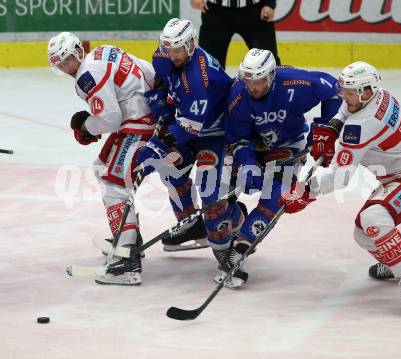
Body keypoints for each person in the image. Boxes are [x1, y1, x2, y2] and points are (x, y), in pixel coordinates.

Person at [47, 32, 207, 286]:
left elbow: (110, 118)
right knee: (105, 168)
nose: (66, 67)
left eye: (68, 60)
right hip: (151, 119)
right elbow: (149, 73)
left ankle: (127, 260)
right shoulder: (104, 50)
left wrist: (87, 126)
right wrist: (160, 112)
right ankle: (137, 235)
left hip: (137, 126)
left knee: (114, 184)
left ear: (78, 51)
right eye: (60, 64)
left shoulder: (86, 76)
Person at [280, 61, 401, 307]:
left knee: (373, 218)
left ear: (367, 91)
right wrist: (333, 127)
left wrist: (306, 190)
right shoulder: (380, 95)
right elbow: (346, 109)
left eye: (350, 91)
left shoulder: (360, 127)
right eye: (344, 89)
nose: (344, 95)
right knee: (362, 233)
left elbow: (341, 177)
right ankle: (392, 262)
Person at [136, 18, 248, 288]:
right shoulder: (164, 56)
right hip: (189, 125)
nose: (172, 55)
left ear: (191, 45)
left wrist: (160, 141)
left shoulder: (199, 77)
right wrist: (161, 104)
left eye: (178, 50)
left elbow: (187, 131)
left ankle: (227, 244)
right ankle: (192, 225)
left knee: (210, 194)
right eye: (169, 49)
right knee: (170, 170)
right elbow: (162, 84)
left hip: (214, 133)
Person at [224, 48, 342, 281]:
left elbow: (335, 90)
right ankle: (231, 223)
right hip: (253, 146)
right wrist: (247, 163)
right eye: (248, 80)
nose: (253, 87)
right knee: (220, 189)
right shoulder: (237, 95)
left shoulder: (296, 83)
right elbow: (237, 138)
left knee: (277, 195)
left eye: (258, 80)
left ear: (270, 76)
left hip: (288, 143)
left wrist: (324, 129)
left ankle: (240, 247)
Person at [190, 0, 280, 68]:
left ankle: (276, 92)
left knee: (269, 63)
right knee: (208, 65)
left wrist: (270, 3)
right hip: (215, 13)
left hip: (256, 11)